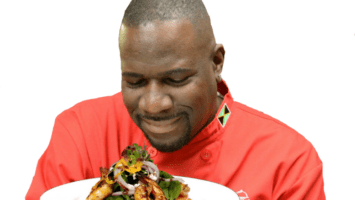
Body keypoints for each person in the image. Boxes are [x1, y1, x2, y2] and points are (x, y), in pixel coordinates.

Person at [26, 0, 325, 199]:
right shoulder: (80, 131)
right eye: (135, 81)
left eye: (177, 79)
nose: (153, 104)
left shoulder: (289, 161)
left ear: (217, 62)